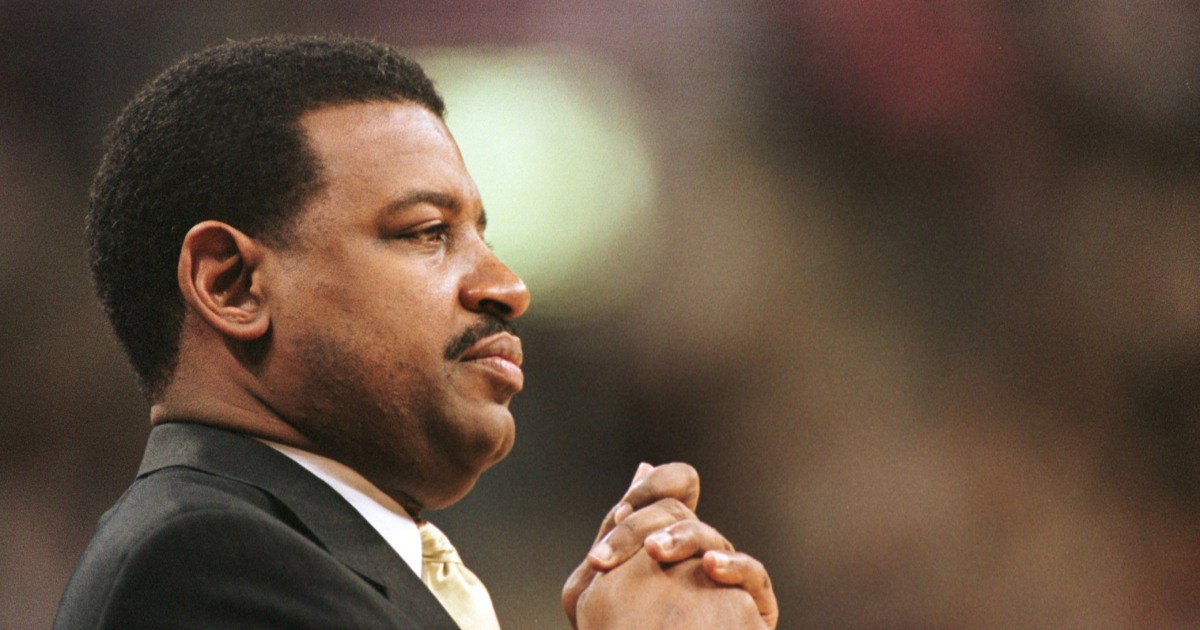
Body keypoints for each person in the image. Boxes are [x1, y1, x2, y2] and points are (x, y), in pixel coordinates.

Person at [55, 34, 777, 629]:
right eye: (428, 232)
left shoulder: (322, 560)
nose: (508, 287)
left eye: (482, 235)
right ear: (232, 285)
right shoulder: (202, 564)